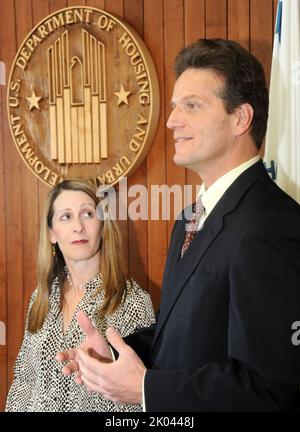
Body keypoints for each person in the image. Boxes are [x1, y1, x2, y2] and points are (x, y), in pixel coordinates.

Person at [57, 39, 300, 411]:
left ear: (240, 118)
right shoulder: (189, 218)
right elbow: (180, 336)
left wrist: (145, 389)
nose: (171, 121)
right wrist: (116, 352)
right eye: (174, 107)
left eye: (192, 106)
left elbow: (267, 388)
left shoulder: (272, 224)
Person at [5, 179, 155, 412]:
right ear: (52, 233)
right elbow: (25, 379)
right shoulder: (41, 298)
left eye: (87, 214)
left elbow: (139, 396)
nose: (78, 227)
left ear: (103, 225)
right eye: (66, 217)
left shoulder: (132, 300)